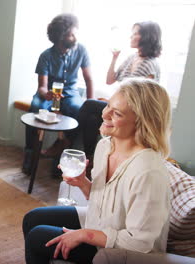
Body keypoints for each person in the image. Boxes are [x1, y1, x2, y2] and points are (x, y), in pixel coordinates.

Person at [22, 78, 171, 263]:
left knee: (38, 237)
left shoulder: (148, 172)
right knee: (32, 218)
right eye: (108, 105)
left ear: (143, 122)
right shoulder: (105, 146)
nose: (104, 114)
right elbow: (103, 202)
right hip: (102, 223)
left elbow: (139, 243)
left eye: (116, 113)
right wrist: (83, 184)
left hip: (126, 252)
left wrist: (85, 235)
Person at [78, 21, 162, 162]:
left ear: (146, 37)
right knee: (92, 119)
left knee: (89, 104)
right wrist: (114, 58)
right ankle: (89, 158)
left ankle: (66, 140)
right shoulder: (132, 58)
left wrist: (112, 105)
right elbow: (110, 80)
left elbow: (142, 101)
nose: (131, 37)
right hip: (119, 107)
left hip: (130, 112)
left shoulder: (151, 65)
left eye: (135, 33)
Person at [22, 13, 94, 174]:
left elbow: (89, 79)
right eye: (71, 34)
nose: (75, 37)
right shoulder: (46, 56)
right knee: (35, 108)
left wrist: (90, 102)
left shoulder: (81, 50)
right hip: (48, 94)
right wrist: (47, 95)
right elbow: (42, 87)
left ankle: (62, 149)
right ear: (60, 37)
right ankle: (29, 154)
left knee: (78, 109)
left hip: (70, 93)